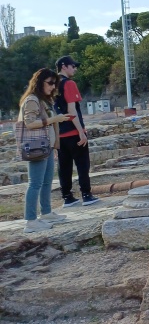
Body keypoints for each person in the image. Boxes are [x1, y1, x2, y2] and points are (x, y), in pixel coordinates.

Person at [19, 69, 74, 233]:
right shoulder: (32, 100)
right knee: (35, 183)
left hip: (46, 146)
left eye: (54, 84)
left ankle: (46, 212)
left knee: (47, 182)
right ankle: (30, 221)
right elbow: (29, 123)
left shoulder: (42, 100)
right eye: (50, 83)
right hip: (37, 146)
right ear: (39, 82)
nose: (52, 87)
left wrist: (55, 144)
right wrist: (54, 119)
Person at [53, 56, 98, 207]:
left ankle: (67, 196)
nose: (75, 69)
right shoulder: (69, 83)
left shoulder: (51, 84)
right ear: (64, 66)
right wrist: (81, 131)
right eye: (73, 66)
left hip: (59, 132)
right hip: (72, 131)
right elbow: (72, 110)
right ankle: (86, 194)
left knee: (64, 166)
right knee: (82, 164)